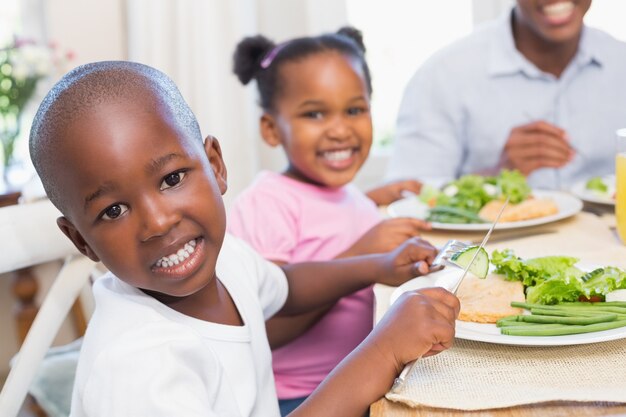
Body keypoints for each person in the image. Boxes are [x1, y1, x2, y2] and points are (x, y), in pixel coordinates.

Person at [28, 60, 459, 417]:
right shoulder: (138, 366)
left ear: (215, 165)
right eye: (113, 211)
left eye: (172, 178)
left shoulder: (222, 254)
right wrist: (383, 352)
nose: (157, 223)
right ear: (81, 241)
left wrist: (376, 266)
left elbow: (287, 286)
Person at [229, 27, 431, 415]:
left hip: (370, 382)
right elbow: (265, 330)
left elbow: (326, 219)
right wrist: (365, 254)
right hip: (304, 400)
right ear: (271, 129)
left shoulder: (349, 193)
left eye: (354, 110)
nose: (340, 129)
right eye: (315, 113)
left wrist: (377, 198)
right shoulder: (266, 203)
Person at [387, 0, 626, 190]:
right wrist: (495, 176)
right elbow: (406, 196)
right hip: (494, 249)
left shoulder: (620, 62)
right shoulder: (444, 73)